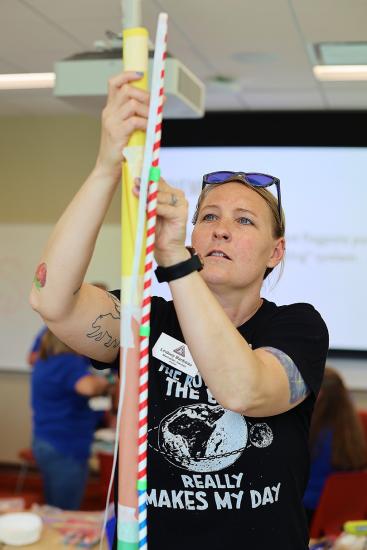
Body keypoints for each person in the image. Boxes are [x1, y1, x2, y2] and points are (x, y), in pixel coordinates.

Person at [29, 71, 329, 549]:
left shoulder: (297, 326)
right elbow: (51, 298)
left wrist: (174, 260)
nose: (221, 229)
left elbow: (242, 390)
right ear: (193, 238)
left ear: (276, 252)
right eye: (209, 216)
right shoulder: (150, 322)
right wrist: (108, 164)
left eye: (244, 220)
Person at [31, 328, 111, 510]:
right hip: (65, 445)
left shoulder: (45, 361)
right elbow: (88, 388)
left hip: (44, 440)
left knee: (54, 506)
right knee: (65, 512)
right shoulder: (68, 362)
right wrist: (107, 382)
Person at [303, 366, 367, 525]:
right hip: (341, 518)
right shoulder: (351, 429)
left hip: (309, 513)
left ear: (320, 396)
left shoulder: (316, 435)